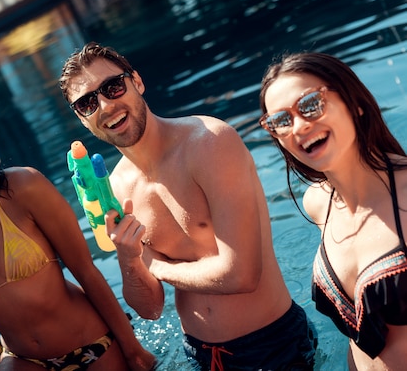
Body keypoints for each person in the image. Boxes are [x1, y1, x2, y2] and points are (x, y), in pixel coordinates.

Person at [59, 42, 317, 370]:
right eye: (87, 102)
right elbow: (150, 309)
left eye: (113, 86)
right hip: (198, 355)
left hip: (270, 347)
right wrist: (129, 258)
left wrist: (158, 267)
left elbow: (242, 276)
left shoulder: (209, 143)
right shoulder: (117, 189)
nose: (106, 105)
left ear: (137, 82)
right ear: (83, 119)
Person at [0, 98, 156, 371]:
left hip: (92, 347)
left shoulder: (23, 188)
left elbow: (86, 271)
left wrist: (133, 349)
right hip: (23, 361)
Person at [259, 52, 407, 370]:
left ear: (355, 103)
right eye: (281, 121)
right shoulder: (318, 203)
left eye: (311, 104)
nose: (299, 126)